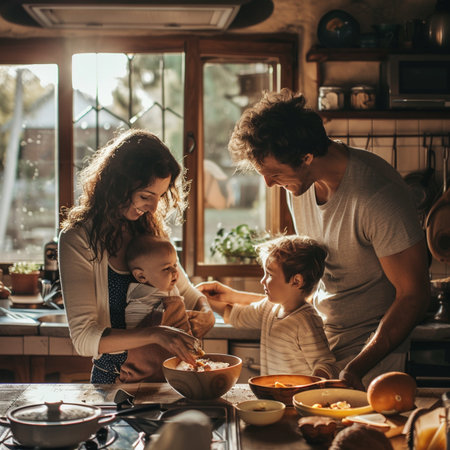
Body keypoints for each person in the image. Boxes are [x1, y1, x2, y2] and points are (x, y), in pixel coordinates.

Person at [197, 88, 430, 390]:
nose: (268, 183)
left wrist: (356, 367)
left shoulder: (377, 195)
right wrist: (235, 298)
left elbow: (414, 295)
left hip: (371, 360)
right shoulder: (300, 187)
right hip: (323, 347)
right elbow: (308, 285)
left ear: (306, 157)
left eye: (274, 173)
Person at [59, 129, 215, 384]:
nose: (154, 207)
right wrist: (156, 334)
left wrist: (206, 311)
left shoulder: (149, 230)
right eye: (146, 196)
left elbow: (186, 292)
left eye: (160, 196)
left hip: (167, 379)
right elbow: (85, 339)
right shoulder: (78, 239)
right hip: (114, 382)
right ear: (118, 185)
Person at [209, 235, 338, 378]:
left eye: (269, 274)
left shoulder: (307, 321)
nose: (262, 281)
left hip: (297, 398)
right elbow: (236, 315)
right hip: (275, 396)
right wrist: (202, 299)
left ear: (296, 281)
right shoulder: (269, 308)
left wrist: (309, 389)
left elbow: (326, 364)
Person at [119, 234, 195, 382]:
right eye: (167, 268)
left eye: (174, 265)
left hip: (170, 374)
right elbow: (134, 341)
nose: (175, 272)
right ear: (141, 276)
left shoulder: (166, 288)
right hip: (145, 375)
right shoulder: (140, 300)